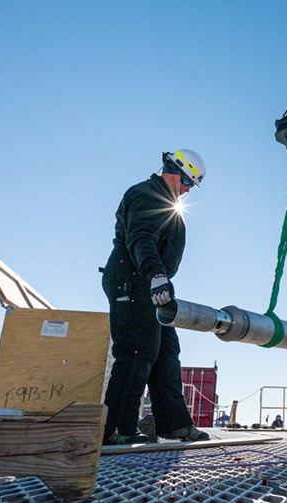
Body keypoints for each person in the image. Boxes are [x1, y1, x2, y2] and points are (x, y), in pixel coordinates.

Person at [100, 149, 210, 445]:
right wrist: (156, 274)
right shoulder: (147, 194)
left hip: (149, 282)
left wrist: (158, 277)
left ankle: (173, 424)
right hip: (132, 280)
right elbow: (141, 237)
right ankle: (114, 429)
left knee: (166, 352)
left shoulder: (167, 202)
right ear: (177, 172)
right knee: (136, 351)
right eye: (187, 183)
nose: (188, 191)